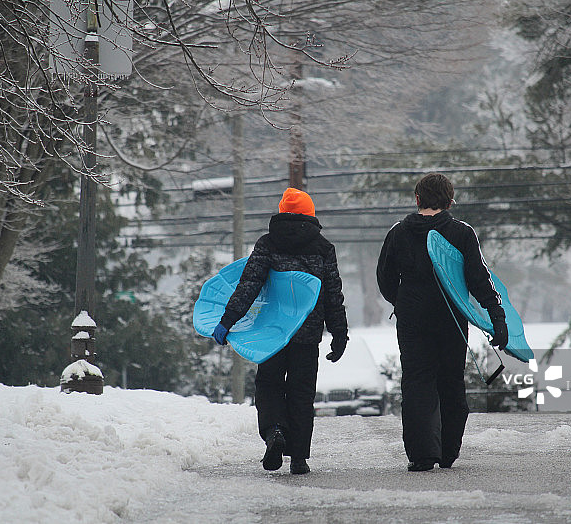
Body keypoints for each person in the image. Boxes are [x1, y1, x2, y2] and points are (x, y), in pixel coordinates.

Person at [212, 187, 349, 474]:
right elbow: (332, 295)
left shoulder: (268, 243)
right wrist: (339, 334)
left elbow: (249, 284)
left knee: (269, 384)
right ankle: (298, 459)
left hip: (271, 332)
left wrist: (228, 320)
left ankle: (274, 430)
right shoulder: (323, 248)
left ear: (282, 212)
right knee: (301, 392)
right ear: (310, 214)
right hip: (307, 333)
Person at [376, 173, 508, 471]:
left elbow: (385, 279)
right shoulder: (462, 233)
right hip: (451, 320)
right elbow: (479, 279)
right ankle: (448, 451)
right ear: (449, 202)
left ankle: (422, 455)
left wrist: (403, 302)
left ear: (417, 199)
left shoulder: (398, 233)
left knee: (417, 382)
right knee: (450, 380)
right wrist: (496, 316)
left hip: (412, 321)